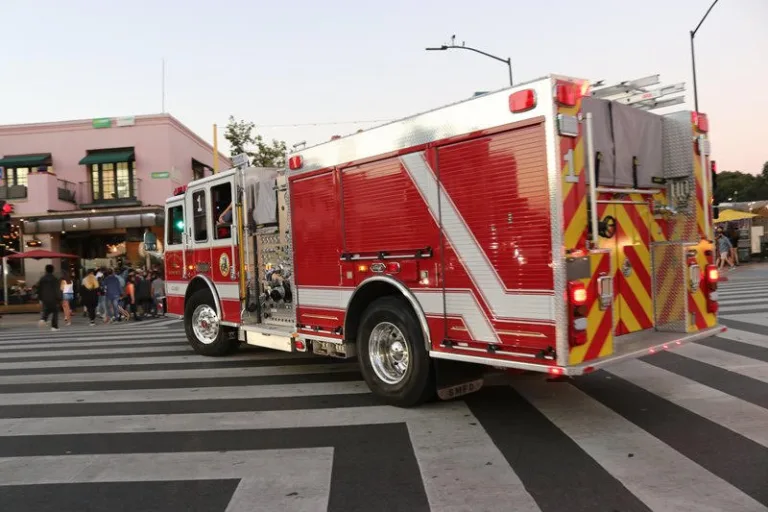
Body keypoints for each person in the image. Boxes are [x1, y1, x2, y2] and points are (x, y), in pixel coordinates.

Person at [37, 264, 61, 331]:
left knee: (47, 309)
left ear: (46, 270)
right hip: (53, 298)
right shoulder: (55, 279)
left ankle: (43, 319)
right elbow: (57, 289)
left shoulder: (42, 279)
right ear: (53, 270)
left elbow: (39, 289)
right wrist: (59, 298)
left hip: (44, 298)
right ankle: (54, 326)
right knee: (55, 311)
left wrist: (40, 298)